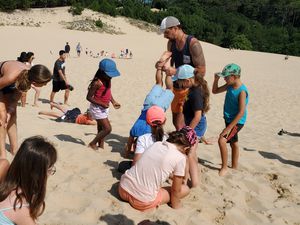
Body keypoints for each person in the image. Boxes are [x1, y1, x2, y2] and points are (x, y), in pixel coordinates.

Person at [119, 126, 197, 211]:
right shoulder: (180, 158)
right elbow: (175, 190)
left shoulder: (157, 144)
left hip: (123, 189)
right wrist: (176, 205)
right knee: (185, 189)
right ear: (186, 148)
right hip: (142, 201)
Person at [159, 16, 206, 130]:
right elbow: (168, 60)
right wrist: (161, 63)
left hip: (190, 87)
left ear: (175, 28)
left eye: (166, 32)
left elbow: (202, 71)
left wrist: (176, 71)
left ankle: (187, 142)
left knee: (184, 123)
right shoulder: (171, 43)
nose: (164, 36)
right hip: (177, 86)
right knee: (176, 122)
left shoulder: (192, 44)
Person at [166, 64, 210, 187]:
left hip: (197, 126)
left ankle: (194, 183)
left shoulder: (196, 93)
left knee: (189, 153)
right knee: (191, 151)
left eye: (180, 83)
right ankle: (189, 176)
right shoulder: (192, 87)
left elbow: (198, 116)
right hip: (192, 123)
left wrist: (188, 130)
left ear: (187, 80)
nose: (179, 85)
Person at [124, 51, 174, 157]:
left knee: (169, 88)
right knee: (159, 83)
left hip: (159, 106)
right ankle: (160, 67)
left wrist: (127, 154)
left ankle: (168, 73)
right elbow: (129, 144)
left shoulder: (152, 134)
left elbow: (130, 147)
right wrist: (127, 152)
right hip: (148, 104)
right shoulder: (134, 130)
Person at [0, 136, 57, 225]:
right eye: (50, 169)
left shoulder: (3, 170)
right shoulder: (21, 209)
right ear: (39, 175)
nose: (50, 173)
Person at [0, 61, 52, 158]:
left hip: (9, 84)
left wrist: (10, 111)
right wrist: (3, 112)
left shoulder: (28, 76)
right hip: (2, 81)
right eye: (44, 83)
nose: (45, 85)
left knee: (13, 114)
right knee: (2, 118)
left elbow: (15, 97)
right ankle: (2, 154)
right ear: (34, 82)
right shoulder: (12, 76)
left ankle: (14, 149)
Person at [212, 63, 249, 176]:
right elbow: (215, 90)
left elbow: (241, 112)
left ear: (234, 76)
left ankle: (224, 168)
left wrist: (228, 128)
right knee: (234, 143)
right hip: (229, 119)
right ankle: (234, 166)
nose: (224, 78)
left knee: (221, 140)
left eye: (226, 77)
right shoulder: (229, 85)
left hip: (237, 122)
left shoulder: (242, 91)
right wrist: (216, 79)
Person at [86, 59, 121, 150]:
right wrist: (102, 104)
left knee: (101, 128)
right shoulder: (97, 83)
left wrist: (113, 101)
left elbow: (108, 92)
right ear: (102, 72)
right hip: (97, 108)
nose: (111, 77)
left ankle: (101, 145)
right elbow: (89, 97)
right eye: (109, 74)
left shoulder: (107, 79)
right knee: (108, 129)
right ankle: (92, 143)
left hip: (104, 107)